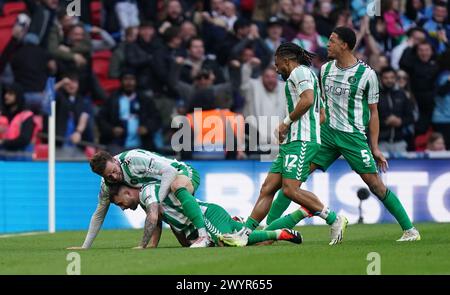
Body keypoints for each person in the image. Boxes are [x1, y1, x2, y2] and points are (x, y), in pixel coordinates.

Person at [267, 27, 421, 242]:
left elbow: (374, 112)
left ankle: (410, 230)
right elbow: (320, 108)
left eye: (331, 41)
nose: (327, 44)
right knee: (293, 179)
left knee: (375, 185)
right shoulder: (326, 69)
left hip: (353, 136)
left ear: (345, 45)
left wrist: (374, 146)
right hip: (327, 135)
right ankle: (268, 230)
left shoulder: (367, 75)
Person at [220, 42, 346, 247]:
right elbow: (321, 114)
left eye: (278, 64)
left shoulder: (300, 73)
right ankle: (245, 234)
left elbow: (307, 100)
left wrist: (287, 124)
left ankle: (334, 219)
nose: (277, 69)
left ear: (287, 61)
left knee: (290, 189)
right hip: (295, 140)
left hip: (301, 141)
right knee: (267, 188)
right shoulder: (308, 75)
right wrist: (304, 126)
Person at [67, 149, 212, 249]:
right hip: (162, 187)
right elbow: (99, 214)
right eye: (108, 176)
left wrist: (158, 201)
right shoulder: (107, 184)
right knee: (186, 243)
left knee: (175, 186)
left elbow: (170, 171)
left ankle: (203, 235)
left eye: (113, 171)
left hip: (181, 171)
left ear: (114, 160)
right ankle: (219, 228)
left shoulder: (133, 159)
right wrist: (85, 246)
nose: (114, 177)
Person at [108, 182, 303, 248]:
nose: (123, 208)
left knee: (231, 241)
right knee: (256, 241)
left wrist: (143, 246)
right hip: (210, 214)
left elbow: (153, 219)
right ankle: (286, 227)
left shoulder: (147, 191)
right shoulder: (148, 201)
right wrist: (154, 246)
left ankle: (281, 231)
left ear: (126, 192)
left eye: (120, 203)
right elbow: (162, 221)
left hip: (208, 215)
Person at [377, 67, 415, 153]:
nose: (389, 80)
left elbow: (411, 117)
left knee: (402, 167)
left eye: (391, 77)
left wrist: (400, 121)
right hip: (381, 142)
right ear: (381, 79)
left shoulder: (402, 94)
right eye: (386, 78)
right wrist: (385, 122)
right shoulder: (375, 94)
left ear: (395, 78)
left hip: (400, 142)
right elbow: (368, 118)